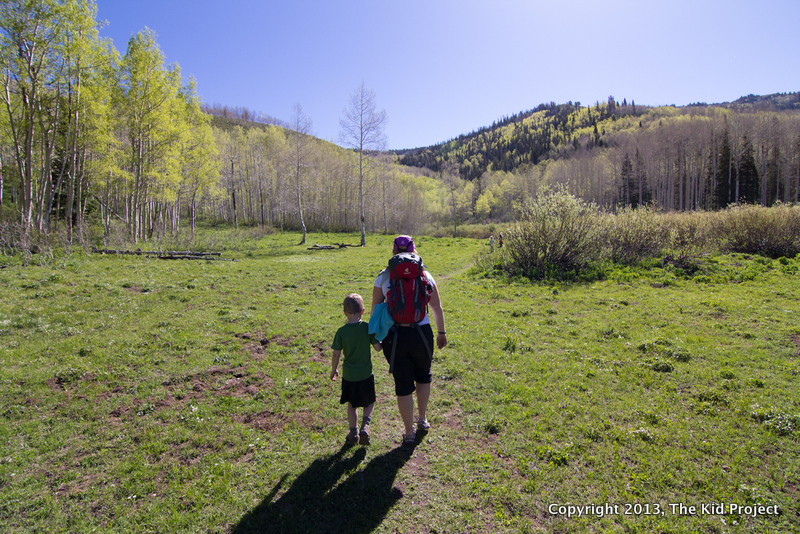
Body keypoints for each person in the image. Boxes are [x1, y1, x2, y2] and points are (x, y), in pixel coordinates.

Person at [371, 235, 448, 446]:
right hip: (422, 333)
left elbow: (375, 311)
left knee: (403, 384)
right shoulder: (425, 274)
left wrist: (375, 339)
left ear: (393, 251)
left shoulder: (384, 276)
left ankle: (409, 432)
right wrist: (441, 332)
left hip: (395, 337)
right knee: (423, 376)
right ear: (414, 250)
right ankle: (422, 419)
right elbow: (436, 307)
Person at [331, 293, 383, 445]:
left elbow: (336, 354)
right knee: (370, 402)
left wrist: (333, 370)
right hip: (366, 374)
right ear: (363, 311)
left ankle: (353, 433)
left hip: (349, 376)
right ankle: (365, 426)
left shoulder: (341, 332)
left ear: (345, 312)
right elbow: (378, 348)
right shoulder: (368, 328)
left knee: (352, 404)